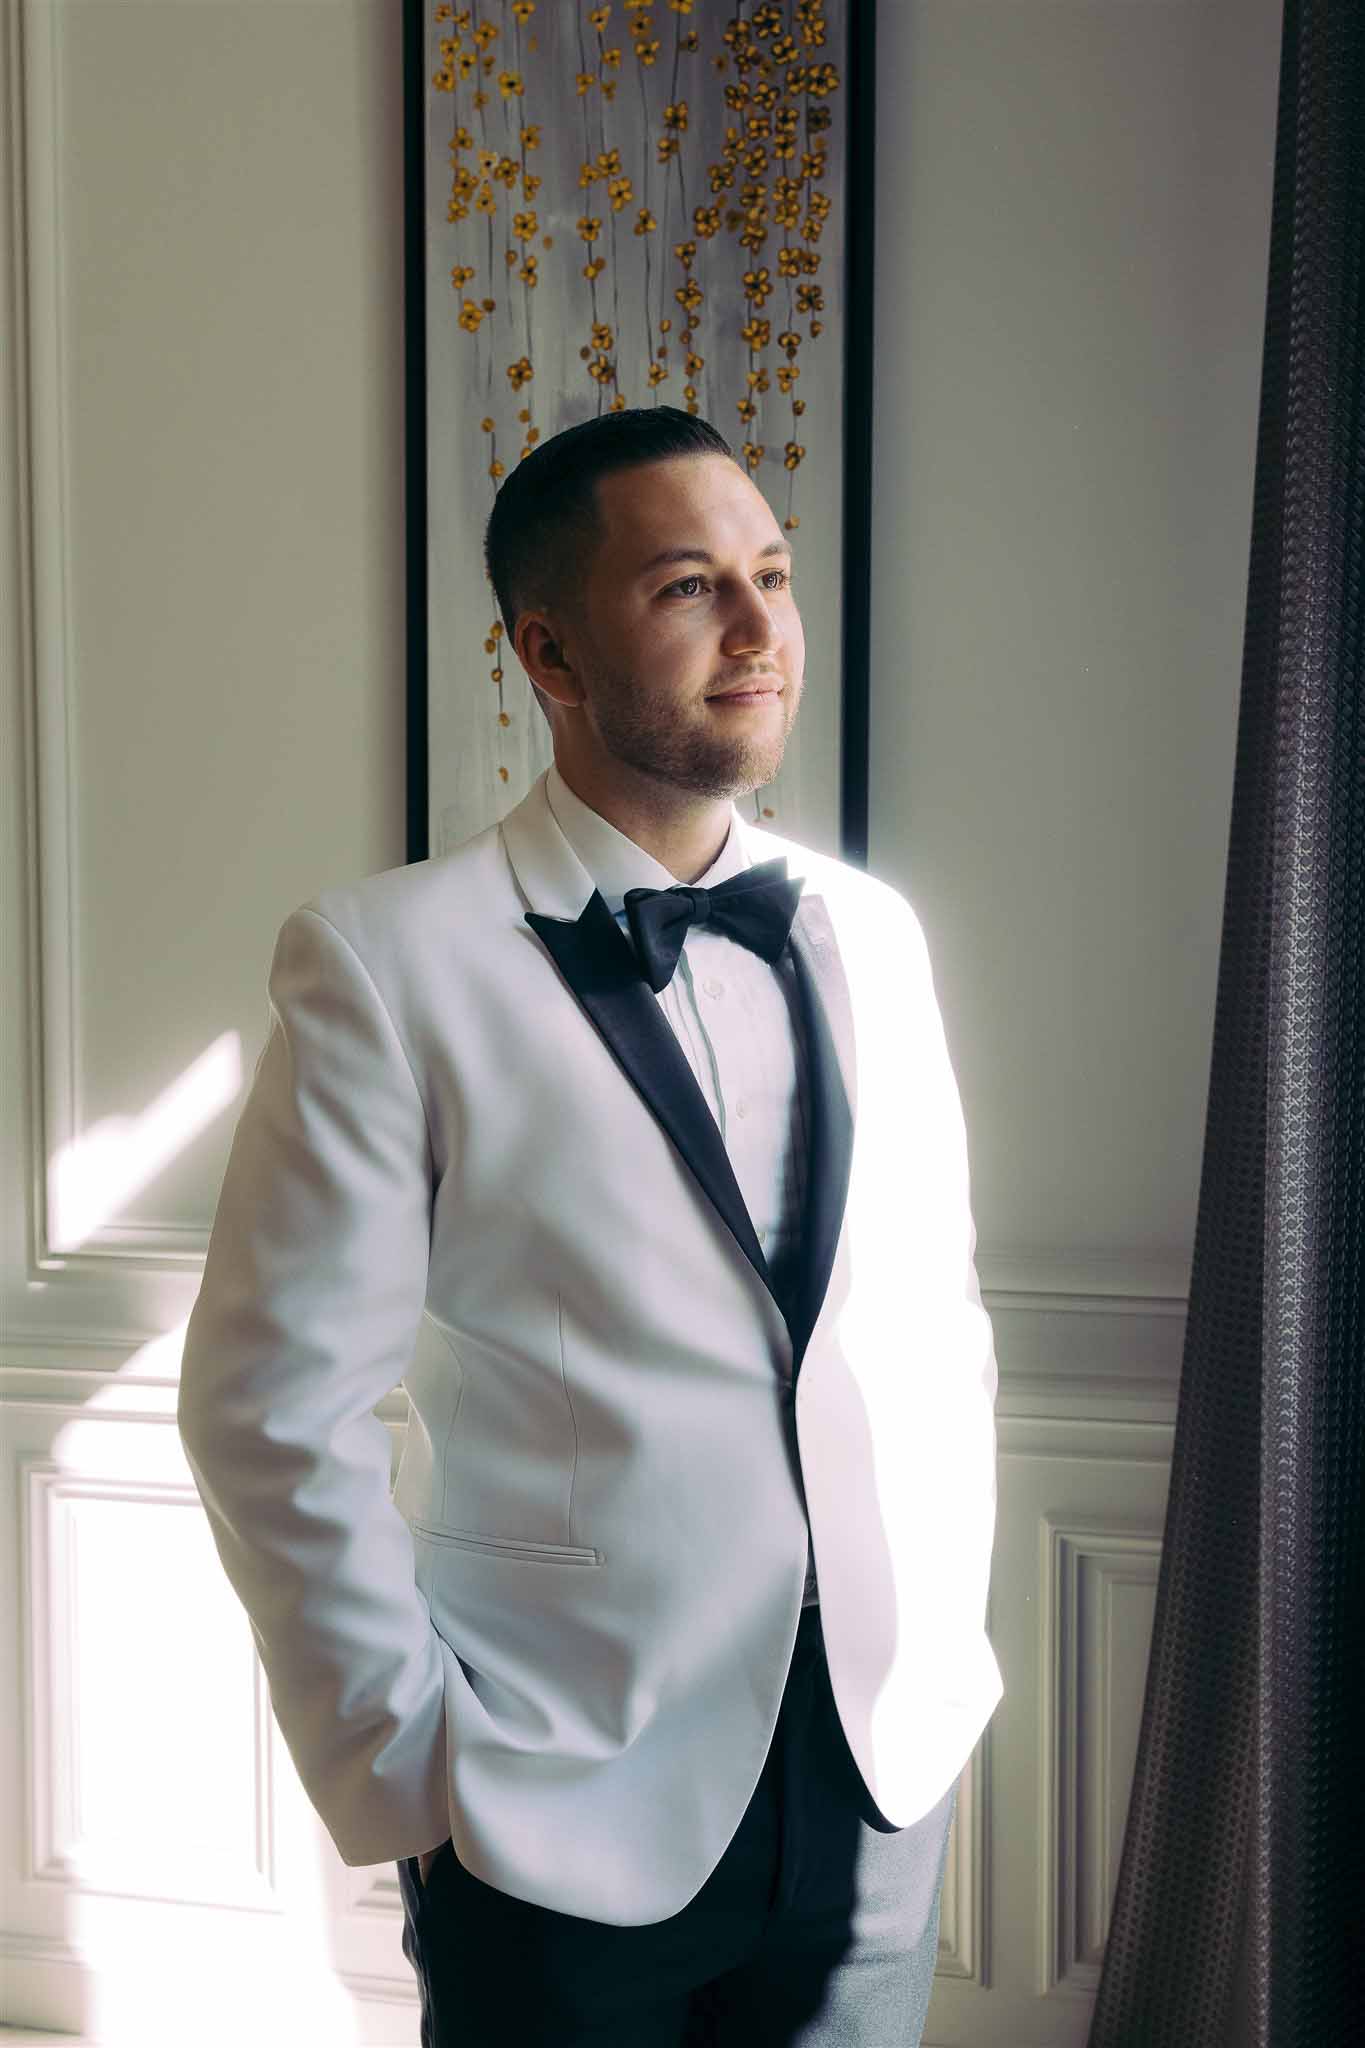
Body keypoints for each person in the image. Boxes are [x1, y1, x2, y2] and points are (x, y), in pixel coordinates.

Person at [178, 405, 1004, 2046]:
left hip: (875, 1765)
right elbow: (267, 1407)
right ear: (548, 651)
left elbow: (935, 1324)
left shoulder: (874, 932)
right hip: (554, 1778)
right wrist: (410, 1769)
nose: (760, 629)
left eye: (771, 575)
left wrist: (937, 1665)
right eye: (690, 587)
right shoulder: (386, 960)